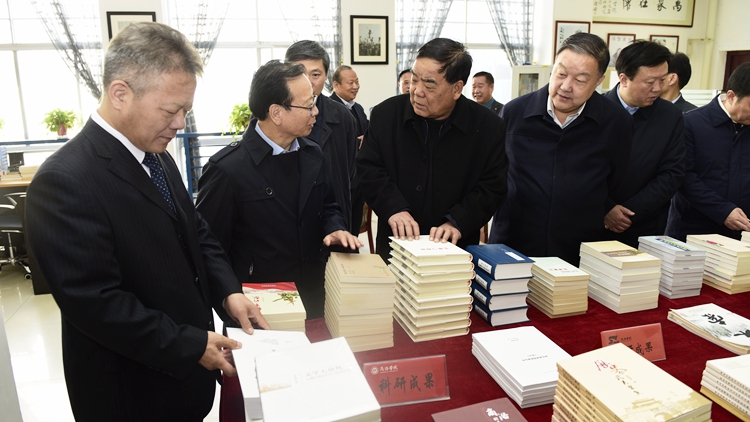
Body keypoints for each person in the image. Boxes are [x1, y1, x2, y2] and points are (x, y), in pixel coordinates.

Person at [24, 22, 269, 421]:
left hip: (182, 384)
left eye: (186, 111)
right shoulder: (64, 181)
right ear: (120, 93)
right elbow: (97, 304)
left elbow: (194, 231)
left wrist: (228, 291)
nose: (180, 124)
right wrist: (189, 345)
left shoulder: (156, 155)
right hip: (130, 391)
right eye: (171, 111)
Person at [197, 61, 362, 320]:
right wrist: (229, 295)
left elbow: (328, 205)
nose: (316, 111)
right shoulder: (227, 169)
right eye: (308, 105)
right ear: (276, 113)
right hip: (261, 306)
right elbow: (209, 247)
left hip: (314, 294)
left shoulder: (313, 154)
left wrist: (335, 228)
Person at [357, 38, 508, 263]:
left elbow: (493, 186)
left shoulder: (488, 127)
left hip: (455, 249)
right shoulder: (386, 115)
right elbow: (368, 169)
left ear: (457, 89)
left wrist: (457, 221)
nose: (417, 91)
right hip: (396, 247)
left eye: (429, 86)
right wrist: (394, 208)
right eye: (414, 80)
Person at [488, 32, 634, 266]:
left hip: (579, 247)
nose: (566, 87)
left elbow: (617, 179)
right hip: (514, 240)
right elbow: (493, 172)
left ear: (599, 80)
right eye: (561, 74)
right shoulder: (515, 113)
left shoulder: (616, 122)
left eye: (580, 80)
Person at [603, 40, 685, 248]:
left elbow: (672, 173)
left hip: (643, 226)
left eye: (662, 80)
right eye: (649, 82)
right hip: (592, 221)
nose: (657, 88)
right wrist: (606, 208)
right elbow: (580, 170)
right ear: (624, 79)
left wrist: (629, 213)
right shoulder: (596, 111)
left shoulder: (670, 116)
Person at [666, 62, 750, 241]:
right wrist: (723, 210)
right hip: (693, 230)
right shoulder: (691, 123)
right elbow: (683, 177)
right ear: (731, 96)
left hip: (742, 233)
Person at [284, 41, 358, 235]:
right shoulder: (271, 114)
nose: (308, 81)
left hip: (333, 221)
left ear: (326, 77)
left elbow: (349, 170)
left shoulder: (343, 117)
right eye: (299, 73)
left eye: (315, 75)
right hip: (286, 219)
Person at [330, 64, 370, 235]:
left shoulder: (357, 108)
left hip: (358, 178)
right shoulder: (330, 109)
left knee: (354, 225)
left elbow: (368, 131)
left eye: (357, 82)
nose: (355, 86)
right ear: (336, 85)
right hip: (340, 179)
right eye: (350, 83)